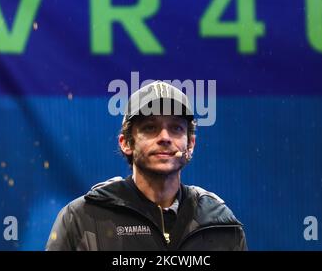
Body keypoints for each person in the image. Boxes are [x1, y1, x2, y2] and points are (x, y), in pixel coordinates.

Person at [46, 81, 247, 250]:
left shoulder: (219, 224)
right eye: (150, 128)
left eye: (176, 128)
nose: (165, 138)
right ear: (126, 143)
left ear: (190, 144)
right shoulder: (82, 219)